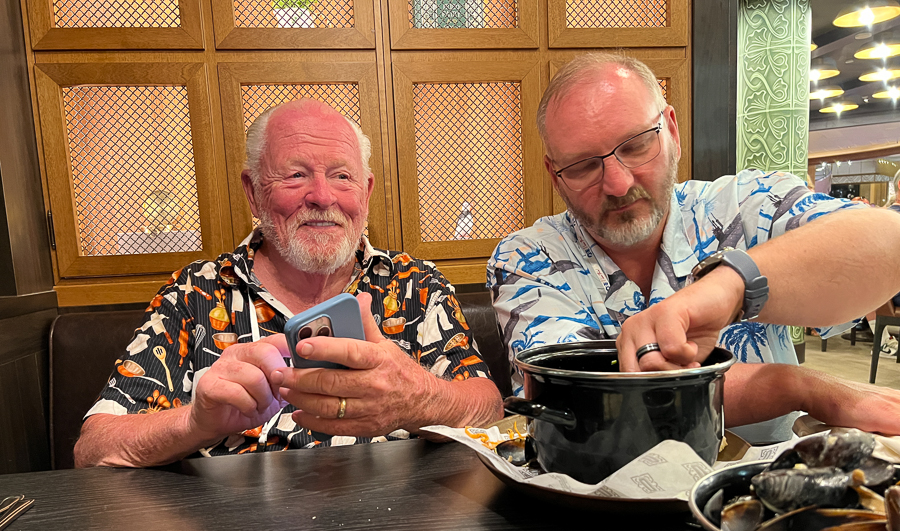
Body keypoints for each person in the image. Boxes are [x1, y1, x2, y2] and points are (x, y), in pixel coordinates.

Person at [488, 53, 900, 442]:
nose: (617, 183)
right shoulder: (528, 258)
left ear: (671, 130)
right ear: (555, 176)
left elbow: (888, 241)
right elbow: (582, 400)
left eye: (635, 146)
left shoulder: (744, 205)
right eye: (582, 166)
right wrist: (795, 385)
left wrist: (733, 285)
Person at [75, 99, 503, 467]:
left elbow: (488, 406)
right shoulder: (194, 293)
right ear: (253, 191)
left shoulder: (416, 285)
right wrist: (194, 423)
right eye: (295, 175)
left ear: (366, 192)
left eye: (342, 176)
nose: (321, 195)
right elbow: (94, 448)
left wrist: (419, 397)